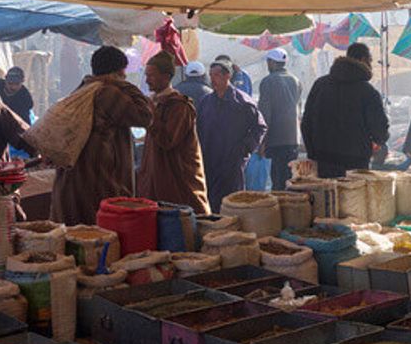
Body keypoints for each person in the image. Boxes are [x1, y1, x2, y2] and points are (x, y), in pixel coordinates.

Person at [51, 46, 153, 225]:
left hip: (74, 182)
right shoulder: (106, 92)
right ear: (118, 71)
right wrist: (124, 85)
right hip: (98, 182)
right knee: (100, 240)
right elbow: (145, 116)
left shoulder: (83, 89)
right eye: (123, 72)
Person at [301, 43, 389, 178]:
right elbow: (380, 131)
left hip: (323, 161)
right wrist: (380, 143)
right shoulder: (368, 92)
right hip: (356, 165)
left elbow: (306, 124)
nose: (371, 66)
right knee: (353, 198)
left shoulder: (320, 85)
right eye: (370, 61)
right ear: (363, 60)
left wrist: (313, 154)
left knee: (326, 198)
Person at [138, 51, 210, 214]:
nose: (147, 80)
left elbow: (167, 140)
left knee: (183, 224)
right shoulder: (156, 102)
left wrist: (151, 112)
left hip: (178, 180)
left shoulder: (179, 106)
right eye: (146, 75)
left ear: (166, 77)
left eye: (152, 75)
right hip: (156, 179)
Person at [197, 57, 267, 211]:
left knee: (232, 204)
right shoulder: (205, 102)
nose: (212, 80)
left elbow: (260, 127)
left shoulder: (242, 102)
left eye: (216, 75)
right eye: (211, 75)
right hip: (209, 161)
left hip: (232, 163)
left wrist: (245, 148)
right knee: (211, 203)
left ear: (227, 76)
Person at [258, 48, 302, 190]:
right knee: (289, 180)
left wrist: (262, 141)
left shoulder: (267, 81)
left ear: (271, 62)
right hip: (293, 139)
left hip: (275, 140)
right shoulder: (296, 81)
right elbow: (298, 109)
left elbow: (265, 114)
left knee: (277, 182)